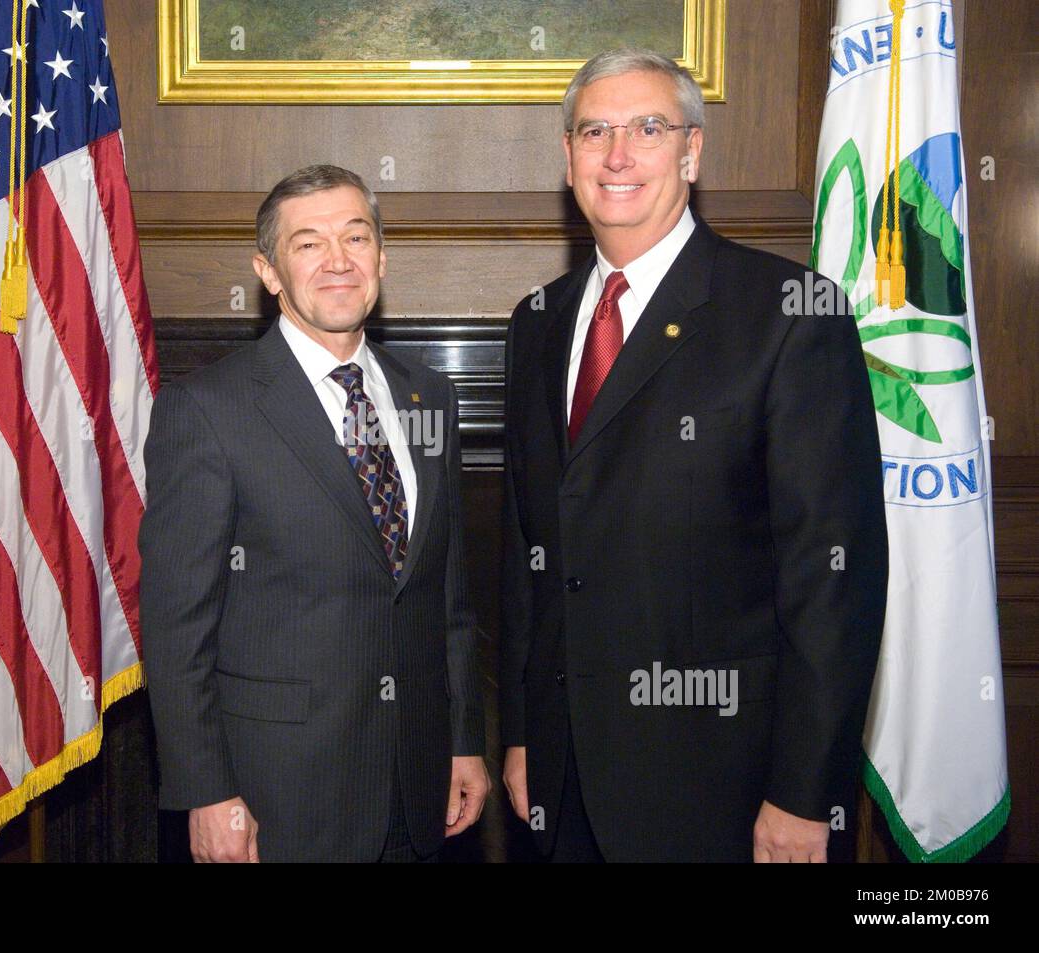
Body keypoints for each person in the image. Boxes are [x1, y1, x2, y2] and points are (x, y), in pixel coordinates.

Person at [499, 50, 888, 862]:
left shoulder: (787, 314)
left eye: (648, 128)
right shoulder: (536, 322)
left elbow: (834, 579)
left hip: (727, 792)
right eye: (594, 130)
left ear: (692, 151)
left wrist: (804, 791)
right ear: (567, 154)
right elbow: (528, 555)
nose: (617, 155)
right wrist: (526, 734)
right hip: (563, 784)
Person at [140, 164, 488, 862]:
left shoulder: (431, 399)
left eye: (355, 237)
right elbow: (177, 631)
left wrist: (463, 741)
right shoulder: (207, 411)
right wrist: (205, 791)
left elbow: (447, 600)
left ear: (381, 258)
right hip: (279, 799)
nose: (338, 260)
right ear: (267, 271)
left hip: (419, 793)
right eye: (308, 243)